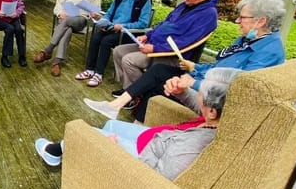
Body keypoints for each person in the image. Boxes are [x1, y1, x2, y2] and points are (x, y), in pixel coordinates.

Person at [84, 0, 286, 122]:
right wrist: (195, 67)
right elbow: (219, 68)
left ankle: (129, 119)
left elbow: (240, 86)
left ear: (261, 21)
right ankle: (119, 110)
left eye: (243, 17)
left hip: (217, 103)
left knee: (161, 78)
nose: (237, 20)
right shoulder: (247, 41)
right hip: (206, 83)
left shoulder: (270, 51)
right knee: (159, 72)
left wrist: (195, 82)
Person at [36, 67, 241, 180]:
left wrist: (116, 150)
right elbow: (201, 108)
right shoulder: (223, 117)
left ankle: (55, 152)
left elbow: (158, 179)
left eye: (200, 94)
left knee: (86, 132)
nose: (198, 95)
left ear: (212, 111)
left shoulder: (197, 145)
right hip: (159, 140)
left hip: (147, 161)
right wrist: (184, 92)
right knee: (110, 126)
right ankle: (83, 158)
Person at [110, 0, 218, 106]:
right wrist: (147, 35)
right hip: (155, 44)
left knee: (129, 60)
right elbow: (164, 24)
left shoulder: (208, 14)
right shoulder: (185, 6)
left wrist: (155, 48)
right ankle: (130, 89)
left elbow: (184, 43)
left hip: (168, 55)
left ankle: (137, 94)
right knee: (119, 51)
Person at [75, 0, 152, 87]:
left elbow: (143, 23)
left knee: (106, 41)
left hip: (127, 33)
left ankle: (99, 74)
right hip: (112, 28)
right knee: (95, 37)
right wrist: (104, 21)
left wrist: (122, 26)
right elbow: (110, 13)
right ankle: (89, 70)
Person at [32, 0, 101, 76]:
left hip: (81, 19)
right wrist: (60, 12)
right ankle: (57, 62)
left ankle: (48, 50)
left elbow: (96, 9)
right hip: (65, 17)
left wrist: (94, 13)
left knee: (68, 22)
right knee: (67, 28)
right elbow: (59, 2)